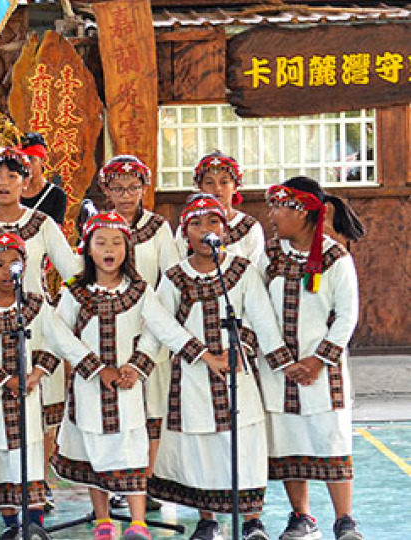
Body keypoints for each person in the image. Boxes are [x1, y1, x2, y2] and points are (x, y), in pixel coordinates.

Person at [148, 194, 293, 540]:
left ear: (224, 230)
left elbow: (261, 317)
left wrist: (253, 352)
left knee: (244, 441)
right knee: (202, 446)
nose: (205, 230)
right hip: (192, 378)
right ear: (185, 233)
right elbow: (158, 320)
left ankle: (252, 519)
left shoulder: (242, 270)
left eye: (213, 222)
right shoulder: (175, 277)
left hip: (236, 372)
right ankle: (207, 519)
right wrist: (200, 353)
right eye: (196, 224)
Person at [0, 231, 94, 540]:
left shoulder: (36, 305)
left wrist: (36, 374)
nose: (6, 271)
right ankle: (11, 524)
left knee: (29, 457)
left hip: (28, 395)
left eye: (13, 263)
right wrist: (6, 380)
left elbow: (55, 340)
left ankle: (33, 524)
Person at [0, 146, 80, 508]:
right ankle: (9, 490)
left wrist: (69, 310)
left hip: (38, 324)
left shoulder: (42, 224)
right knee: (2, 412)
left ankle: (36, 488)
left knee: (42, 411)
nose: (4, 183)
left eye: (13, 176)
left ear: (25, 181)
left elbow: (72, 271)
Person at [260, 178, 366, 540]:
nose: (272, 216)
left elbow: (346, 316)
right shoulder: (270, 255)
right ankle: (301, 516)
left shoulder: (336, 258)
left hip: (323, 374)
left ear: (302, 212)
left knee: (332, 440)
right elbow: (259, 310)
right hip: (279, 372)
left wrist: (319, 360)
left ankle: (345, 519)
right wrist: (283, 360)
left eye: (279, 208)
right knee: (289, 443)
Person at [96, 155, 180, 511]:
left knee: (152, 408)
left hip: (150, 327)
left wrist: (156, 317)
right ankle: (117, 482)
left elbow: (172, 275)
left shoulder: (157, 227)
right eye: (118, 188)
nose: (126, 195)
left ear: (144, 188)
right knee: (116, 408)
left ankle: (146, 482)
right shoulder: (98, 225)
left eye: (133, 188)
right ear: (107, 190)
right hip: (109, 328)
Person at [174, 151, 265, 264]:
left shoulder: (250, 228)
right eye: (209, 182)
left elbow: (255, 269)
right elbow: (180, 267)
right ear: (200, 187)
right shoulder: (188, 227)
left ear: (235, 187)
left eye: (224, 182)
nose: (217, 188)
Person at [19, 132, 67, 225]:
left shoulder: (56, 195)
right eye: (21, 159)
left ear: (43, 161)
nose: (25, 164)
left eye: (30, 158)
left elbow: (55, 232)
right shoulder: (12, 192)